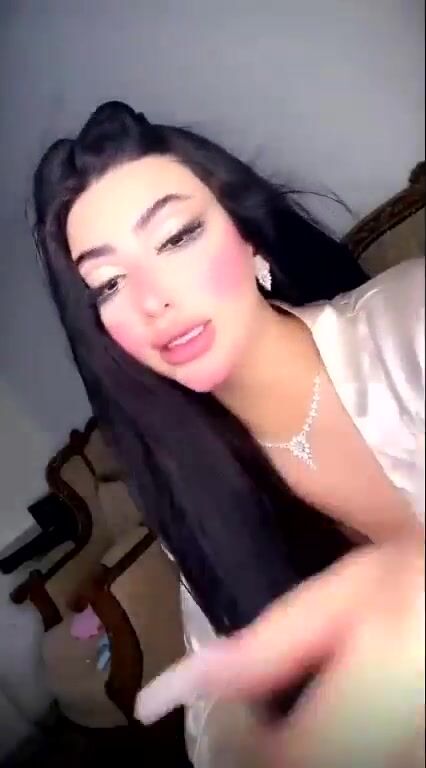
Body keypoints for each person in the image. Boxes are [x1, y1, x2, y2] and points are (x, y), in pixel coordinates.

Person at [33, 101, 424, 767]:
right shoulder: (198, 495)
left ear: (249, 240)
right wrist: (286, 742)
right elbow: (215, 728)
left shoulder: (409, 322)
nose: (153, 297)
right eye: (109, 284)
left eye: (176, 237)